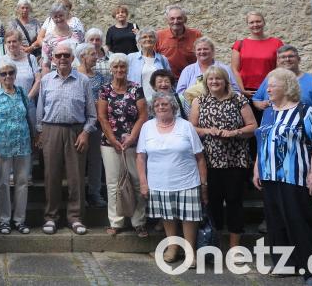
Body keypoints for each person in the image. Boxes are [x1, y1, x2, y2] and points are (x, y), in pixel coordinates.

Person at [252, 68, 312, 286]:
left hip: (295, 178)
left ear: (286, 86)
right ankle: (285, 263)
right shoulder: (269, 112)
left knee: (298, 223)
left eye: (272, 85)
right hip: (269, 177)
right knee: (275, 223)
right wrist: (258, 168)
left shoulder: (304, 111)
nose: (267, 89)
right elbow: (263, 142)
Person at [136, 92, 207, 266]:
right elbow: (140, 157)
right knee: (167, 216)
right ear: (153, 108)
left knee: (189, 217)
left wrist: (204, 183)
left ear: (173, 107)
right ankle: (173, 247)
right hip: (159, 182)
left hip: (187, 180)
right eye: (157, 105)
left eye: (165, 104)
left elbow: (200, 156)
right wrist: (143, 183)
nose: (161, 107)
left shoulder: (186, 126)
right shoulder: (147, 127)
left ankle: (190, 251)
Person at [189, 66, 257, 248]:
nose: (214, 82)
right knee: (213, 203)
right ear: (206, 82)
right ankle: (214, 243)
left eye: (218, 79)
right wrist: (207, 130)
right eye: (210, 79)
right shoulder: (199, 101)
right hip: (209, 160)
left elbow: (252, 126)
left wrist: (235, 132)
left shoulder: (238, 99)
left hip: (235, 159)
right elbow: (191, 128)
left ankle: (235, 247)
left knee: (235, 202)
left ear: (225, 81)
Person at [36, 42, 97, 236]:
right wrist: (40, 132)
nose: (62, 58)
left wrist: (86, 132)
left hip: (76, 131)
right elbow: (40, 110)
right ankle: (51, 217)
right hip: (51, 130)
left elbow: (92, 114)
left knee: (76, 176)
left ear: (73, 58)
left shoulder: (83, 81)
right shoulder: (46, 80)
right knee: (51, 176)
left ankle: (75, 217)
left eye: (66, 55)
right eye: (59, 55)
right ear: (53, 59)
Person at [97, 53, 148, 237]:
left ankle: (138, 222)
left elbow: (143, 115)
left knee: (135, 181)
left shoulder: (136, 89)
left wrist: (132, 137)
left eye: (123, 67)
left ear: (127, 69)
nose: (119, 70)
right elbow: (102, 117)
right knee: (113, 184)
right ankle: (116, 222)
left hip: (132, 142)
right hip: (110, 143)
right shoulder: (104, 90)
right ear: (111, 69)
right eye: (116, 67)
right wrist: (112, 139)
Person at [0, 60, 34, 235]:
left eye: (10, 73)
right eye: (3, 73)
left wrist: (34, 137)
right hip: (2, 147)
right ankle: (4, 220)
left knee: (22, 183)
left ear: (15, 74)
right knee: (2, 184)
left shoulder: (21, 93)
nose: (7, 76)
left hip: (22, 145)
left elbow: (29, 117)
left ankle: (20, 220)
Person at [253, 45, 312, 141]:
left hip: (303, 139)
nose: (287, 59)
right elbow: (256, 99)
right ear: (278, 61)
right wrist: (260, 104)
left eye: (291, 56)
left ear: (298, 59)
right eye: (283, 57)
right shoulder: (269, 79)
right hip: (272, 139)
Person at [75, 43, 108, 208]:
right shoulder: (74, 76)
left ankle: (94, 193)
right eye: (93, 54)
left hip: (95, 124)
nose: (96, 57)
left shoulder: (100, 78)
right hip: (76, 124)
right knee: (77, 161)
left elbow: (103, 101)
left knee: (95, 160)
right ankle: (78, 195)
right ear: (83, 57)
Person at [231, 11, 284, 99]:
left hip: (269, 89)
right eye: (251, 22)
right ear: (247, 25)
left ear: (264, 22)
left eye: (258, 21)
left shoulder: (276, 43)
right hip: (246, 91)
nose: (255, 24)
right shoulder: (239, 44)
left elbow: (280, 68)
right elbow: (234, 69)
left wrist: (272, 86)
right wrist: (242, 89)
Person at [176, 37, 241, 95]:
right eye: (199, 49)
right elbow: (180, 93)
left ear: (212, 51)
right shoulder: (188, 70)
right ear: (195, 53)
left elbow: (236, 91)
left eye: (205, 49)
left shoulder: (224, 69)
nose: (202, 52)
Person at [155, 4, 202, 79]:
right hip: (167, 81)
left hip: (191, 79)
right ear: (167, 20)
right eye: (172, 18)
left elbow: (203, 56)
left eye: (179, 18)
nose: (175, 21)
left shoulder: (196, 35)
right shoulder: (159, 36)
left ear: (185, 19)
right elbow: (152, 59)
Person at [127, 28, 171, 103]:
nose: (148, 39)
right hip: (136, 101)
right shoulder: (130, 58)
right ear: (139, 41)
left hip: (159, 102)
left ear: (155, 40)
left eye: (151, 37)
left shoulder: (162, 59)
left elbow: (169, 80)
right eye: (144, 37)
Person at [41, 4, 84, 73]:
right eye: (55, 17)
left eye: (61, 15)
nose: (58, 19)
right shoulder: (48, 40)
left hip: (78, 74)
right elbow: (46, 65)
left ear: (66, 15)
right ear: (52, 19)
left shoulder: (78, 34)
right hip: (57, 75)